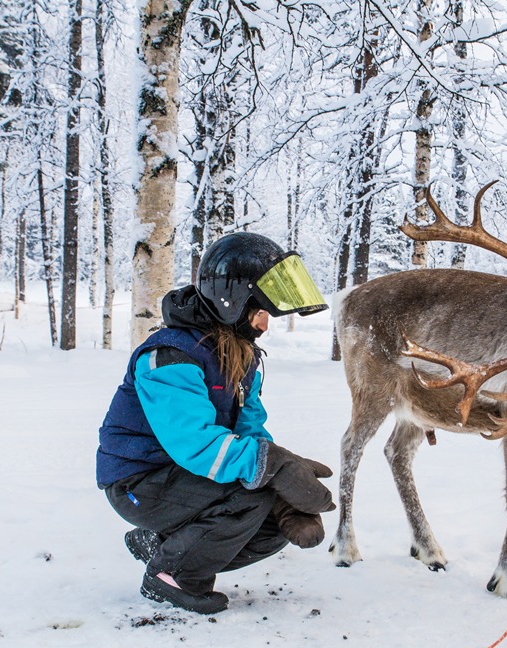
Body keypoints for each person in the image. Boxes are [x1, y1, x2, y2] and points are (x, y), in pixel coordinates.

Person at [96, 232, 335, 615]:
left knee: (272, 518)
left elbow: (250, 429)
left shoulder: (242, 356)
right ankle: (171, 576)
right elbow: (195, 444)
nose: (264, 326)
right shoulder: (170, 356)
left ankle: (161, 545)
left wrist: (279, 481)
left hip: (184, 478)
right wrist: (273, 468)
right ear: (233, 303)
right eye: (261, 313)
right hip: (139, 480)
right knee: (251, 496)